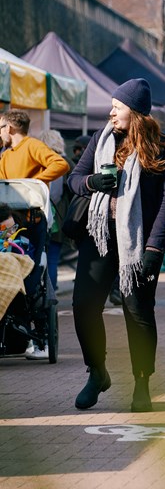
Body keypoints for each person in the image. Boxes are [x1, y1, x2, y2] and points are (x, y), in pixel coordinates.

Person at [68, 78, 165, 412]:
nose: (111, 113)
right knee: (83, 305)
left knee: (138, 312)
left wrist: (155, 248)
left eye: (117, 107)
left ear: (135, 112)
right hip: (100, 236)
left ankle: (142, 383)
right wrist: (91, 183)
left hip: (139, 242)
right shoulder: (102, 140)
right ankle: (97, 372)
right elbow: (74, 179)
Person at [0, 110, 70, 357]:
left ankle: (41, 339)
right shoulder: (5, 156)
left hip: (32, 223)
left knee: (32, 276)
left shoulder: (33, 146)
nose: (0, 132)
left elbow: (61, 164)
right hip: (7, 224)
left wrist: (34, 185)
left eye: (1, 127)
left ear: (10, 128)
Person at [37, 129, 71, 293]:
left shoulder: (53, 163)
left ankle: (48, 292)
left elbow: (53, 194)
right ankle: (51, 290)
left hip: (48, 217)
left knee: (46, 256)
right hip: (58, 216)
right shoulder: (63, 161)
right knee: (52, 257)